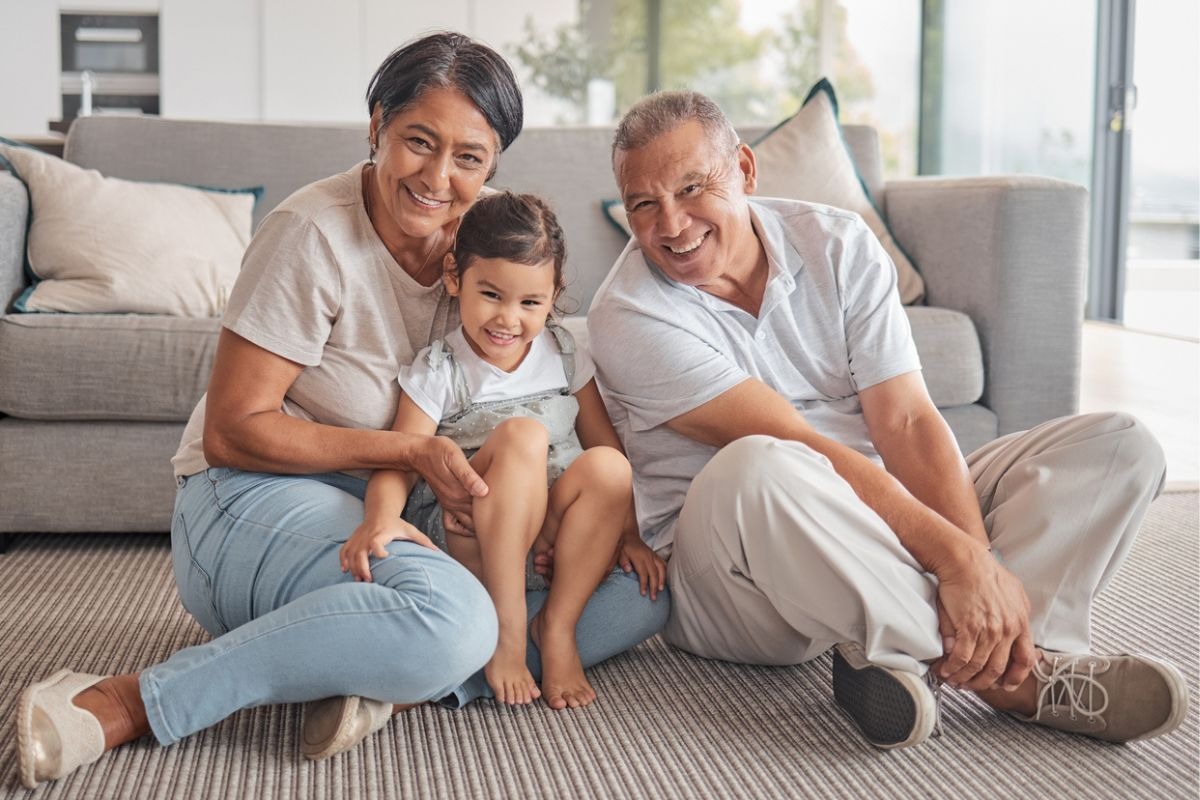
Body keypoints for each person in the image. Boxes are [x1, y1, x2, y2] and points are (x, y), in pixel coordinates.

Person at [15, 33, 668, 790]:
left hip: (423, 508)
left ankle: (372, 672)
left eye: (470, 157)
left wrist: (547, 513)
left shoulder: (493, 234)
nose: (438, 177)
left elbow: (538, 390)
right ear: (375, 128)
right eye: (418, 142)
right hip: (249, 498)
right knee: (457, 619)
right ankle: (133, 699)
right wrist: (410, 456)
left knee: (639, 596)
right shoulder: (312, 235)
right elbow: (233, 431)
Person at [587, 89, 1188, 751]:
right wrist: (955, 562)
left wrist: (975, 564)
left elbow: (903, 422)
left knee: (1120, 447)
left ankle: (909, 646)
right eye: (644, 203)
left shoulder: (837, 243)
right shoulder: (627, 315)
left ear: (747, 171)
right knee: (760, 465)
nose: (670, 225)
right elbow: (799, 443)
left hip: (879, 516)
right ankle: (1022, 678)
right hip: (734, 573)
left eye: (692, 187)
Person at [341, 191, 666, 709]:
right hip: (472, 537)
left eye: (530, 303)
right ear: (455, 279)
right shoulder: (441, 367)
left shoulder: (562, 352)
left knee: (608, 465)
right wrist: (379, 519)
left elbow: (604, 443)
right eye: (490, 294)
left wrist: (629, 535)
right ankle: (506, 628)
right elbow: (401, 458)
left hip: (552, 544)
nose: (507, 320)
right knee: (524, 436)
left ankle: (555, 626)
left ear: (553, 294)